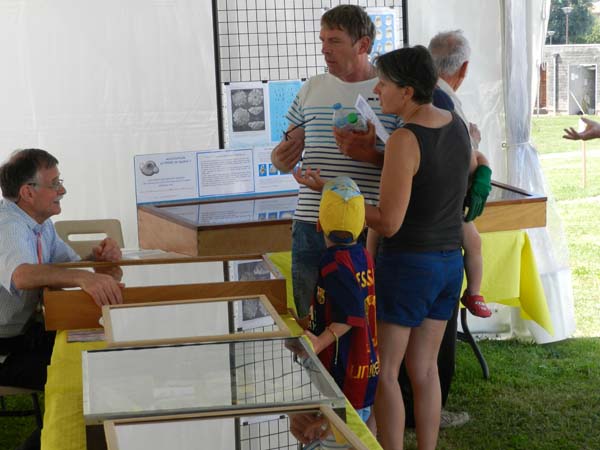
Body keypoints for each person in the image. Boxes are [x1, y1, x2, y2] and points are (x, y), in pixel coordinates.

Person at [294, 45, 471, 450]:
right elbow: (426, 175)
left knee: (387, 372)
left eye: (384, 85)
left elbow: (389, 221)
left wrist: (336, 195)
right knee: (425, 369)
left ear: (407, 91)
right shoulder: (456, 125)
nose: (376, 91)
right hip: (449, 264)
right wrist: (371, 158)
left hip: (408, 266)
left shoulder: (405, 139)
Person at [270, 4, 400, 321]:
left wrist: (371, 155)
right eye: (323, 40)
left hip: (367, 223)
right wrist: (279, 158)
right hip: (311, 221)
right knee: (310, 318)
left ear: (363, 45)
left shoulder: (390, 91)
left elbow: (408, 166)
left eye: (335, 41)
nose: (324, 50)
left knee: (366, 320)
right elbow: (287, 148)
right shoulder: (311, 88)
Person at [0, 149, 123, 450]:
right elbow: (22, 275)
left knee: (99, 366)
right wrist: (83, 277)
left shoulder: (41, 225)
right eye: (54, 183)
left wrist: (95, 259)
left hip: (24, 335)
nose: (62, 190)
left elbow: (65, 267)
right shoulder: (9, 227)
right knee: (84, 381)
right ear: (28, 192)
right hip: (5, 349)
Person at [290, 176, 378, 447]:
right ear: (363, 225)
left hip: (345, 377)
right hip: (363, 369)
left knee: (341, 439)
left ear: (318, 224)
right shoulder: (363, 255)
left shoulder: (334, 264)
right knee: (360, 435)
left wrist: (318, 342)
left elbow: (350, 316)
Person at [429, 29, 493, 318]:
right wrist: (475, 146)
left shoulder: (425, 93)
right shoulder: (445, 100)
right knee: (473, 241)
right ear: (464, 67)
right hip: (444, 206)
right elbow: (460, 156)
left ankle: (474, 292)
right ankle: (474, 292)